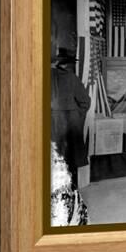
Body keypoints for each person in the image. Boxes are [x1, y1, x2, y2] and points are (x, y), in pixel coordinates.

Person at [51, 48, 91, 185]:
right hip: (70, 123)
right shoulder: (71, 78)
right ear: (69, 64)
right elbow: (85, 102)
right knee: (71, 160)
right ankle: (71, 193)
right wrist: (76, 115)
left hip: (52, 123)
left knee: (55, 157)